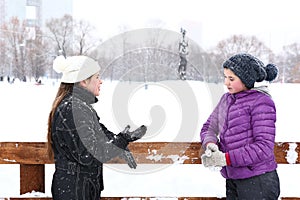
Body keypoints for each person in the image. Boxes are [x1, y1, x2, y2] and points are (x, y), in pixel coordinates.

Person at [47, 55, 147, 200]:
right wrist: (121, 141)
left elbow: (101, 133)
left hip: (80, 188)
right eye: (97, 77)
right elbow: (89, 155)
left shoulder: (79, 106)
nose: (101, 81)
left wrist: (120, 141)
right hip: (75, 192)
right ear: (83, 81)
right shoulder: (73, 109)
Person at [200, 53, 280, 199]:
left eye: (231, 79)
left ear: (246, 79)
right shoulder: (226, 100)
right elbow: (209, 128)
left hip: (258, 180)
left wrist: (226, 159)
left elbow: (263, 146)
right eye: (225, 77)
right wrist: (210, 143)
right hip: (233, 179)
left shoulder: (261, 102)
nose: (226, 83)